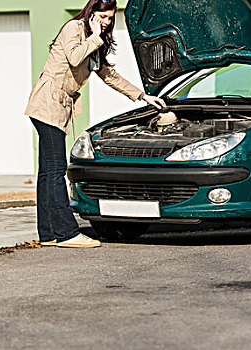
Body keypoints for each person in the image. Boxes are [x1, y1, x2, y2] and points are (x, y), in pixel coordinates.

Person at [25, 0, 166, 248]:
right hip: (47, 102)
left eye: (110, 18)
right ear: (91, 13)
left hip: (58, 105)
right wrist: (97, 36)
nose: (106, 22)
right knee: (56, 170)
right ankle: (67, 233)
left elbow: (109, 75)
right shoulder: (74, 28)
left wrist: (142, 96)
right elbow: (74, 56)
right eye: (102, 16)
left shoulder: (94, 39)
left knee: (48, 171)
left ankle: (48, 234)